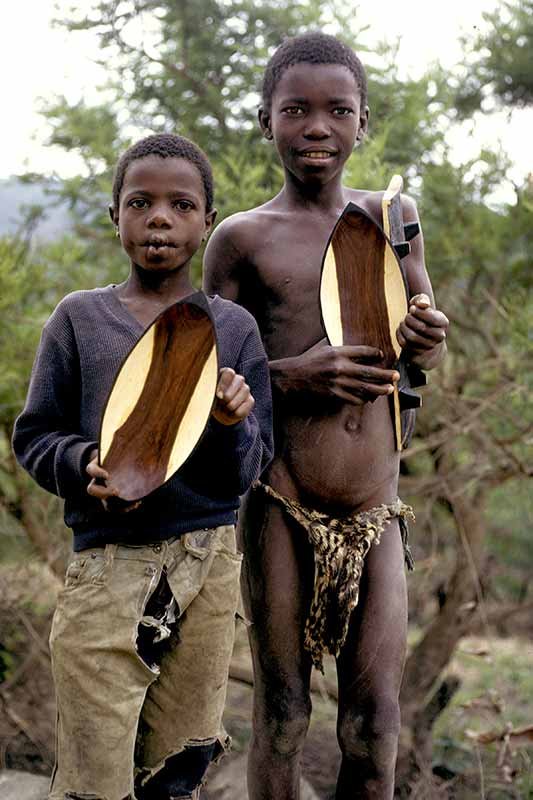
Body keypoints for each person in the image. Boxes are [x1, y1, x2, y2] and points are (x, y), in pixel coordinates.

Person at [203, 32, 449, 800]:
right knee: (281, 713)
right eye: (295, 110)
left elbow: (420, 351)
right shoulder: (241, 239)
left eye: (337, 110)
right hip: (281, 502)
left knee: (372, 723)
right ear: (264, 120)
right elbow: (201, 380)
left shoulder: (389, 219)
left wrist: (427, 339)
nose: (317, 126)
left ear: (363, 123)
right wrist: (290, 375)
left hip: (376, 510)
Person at [12, 133, 273, 800]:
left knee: (176, 769)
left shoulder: (234, 331)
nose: (159, 217)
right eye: (140, 202)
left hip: (207, 568)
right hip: (106, 570)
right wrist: (82, 464)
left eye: (181, 204)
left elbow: (247, 470)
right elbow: (36, 434)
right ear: (114, 216)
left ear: (207, 222)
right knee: (95, 776)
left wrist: (228, 425)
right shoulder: (79, 320)